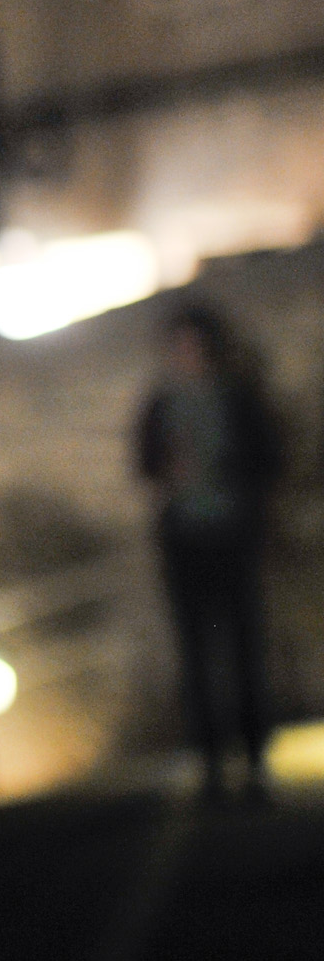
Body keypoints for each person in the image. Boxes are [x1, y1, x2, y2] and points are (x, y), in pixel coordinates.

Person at [135, 300, 283, 803]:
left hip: (233, 537)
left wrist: (234, 477)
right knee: (196, 654)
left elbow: (269, 457)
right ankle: (212, 764)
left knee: (244, 648)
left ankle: (255, 761)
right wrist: (170, 474)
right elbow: (145, 465)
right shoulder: (161, 404)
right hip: (185, 542)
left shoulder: (236, 398)